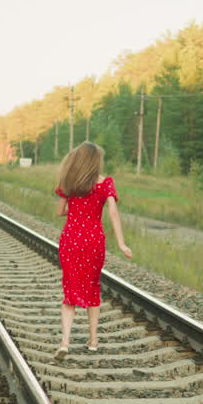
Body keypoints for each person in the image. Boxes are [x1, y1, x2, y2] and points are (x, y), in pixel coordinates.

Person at [53, 142, 132, 359]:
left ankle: (65, 343)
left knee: (70, 291)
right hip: (93, 242)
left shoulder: (68, 182)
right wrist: (122, 243)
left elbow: (60, 211)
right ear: (96, 161)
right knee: (92, 288)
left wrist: (76, 205)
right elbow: (114, 214)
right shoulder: (106, 183)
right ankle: (93, 340)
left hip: (71, 240)